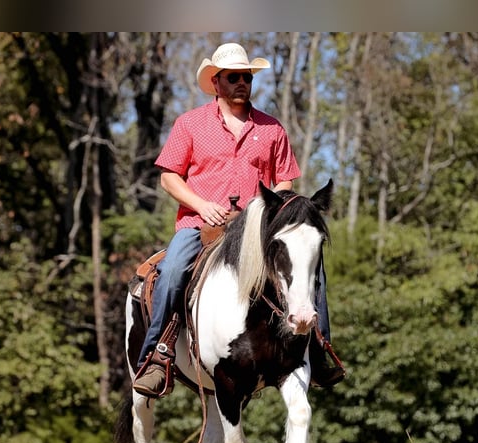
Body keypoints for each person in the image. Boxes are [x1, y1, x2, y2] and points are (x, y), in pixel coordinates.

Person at [133, 42, 345, 398]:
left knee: (313, 267)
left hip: (255, 232)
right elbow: (169, 177)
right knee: (170, 272)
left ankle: (318, 349)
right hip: (200, 227)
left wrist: (260, 210)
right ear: (216, 82)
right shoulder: (190, 125)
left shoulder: (271, 128)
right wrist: (202, 204)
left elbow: (285, 182)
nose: (242, 83)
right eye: (233, 77)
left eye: (247, 77)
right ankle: (158, 354)